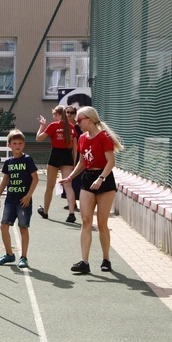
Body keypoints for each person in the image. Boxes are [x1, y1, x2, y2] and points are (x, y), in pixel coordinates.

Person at [60, 106, 124, 274]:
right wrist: (71, 177)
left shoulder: (104, 137)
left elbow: (111, 162)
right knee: (86, 220)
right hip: (87, 179)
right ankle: (84, 261)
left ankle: (106, 259)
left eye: (79, 120)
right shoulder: (82, 138)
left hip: (104, 180)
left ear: (89, 119)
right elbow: (81, 163)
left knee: (102, 224)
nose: (77, 123)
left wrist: (101, 178)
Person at [0, 129, 39, 269]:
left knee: (23, 228)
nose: (17, 146)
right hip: (10, 200)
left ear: (24, 144)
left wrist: (28, 196)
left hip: (23, 201)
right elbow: (4, 180)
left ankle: (24, 257)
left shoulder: (27, 160)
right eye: (14, 143)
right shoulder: (8, 162)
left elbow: (35, 179)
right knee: (3, 226)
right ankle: (9, 254)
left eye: (20, 143)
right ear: (9, 145)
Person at [36, 105, 78, 223]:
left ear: (58, 114)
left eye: (54, 114)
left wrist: (42, 126)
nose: (53, 116)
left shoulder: (53, 125)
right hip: (67, 156)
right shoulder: (72, 127)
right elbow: (75, 148)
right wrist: (74, 163)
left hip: (55, 155)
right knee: (68, 186)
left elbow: (38, 138)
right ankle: (71, 213)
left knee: (50, 186)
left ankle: (45, 211)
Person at [61, 105, 83, 210]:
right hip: (66, 154)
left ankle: (76, 202)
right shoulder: (64, 126)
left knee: (76, 178)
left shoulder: (79, 127)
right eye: (67, 112)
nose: (69, 114)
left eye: (71, 113)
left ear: (75, 114)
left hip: (78, 154)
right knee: (68, 178)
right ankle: (71, 202)